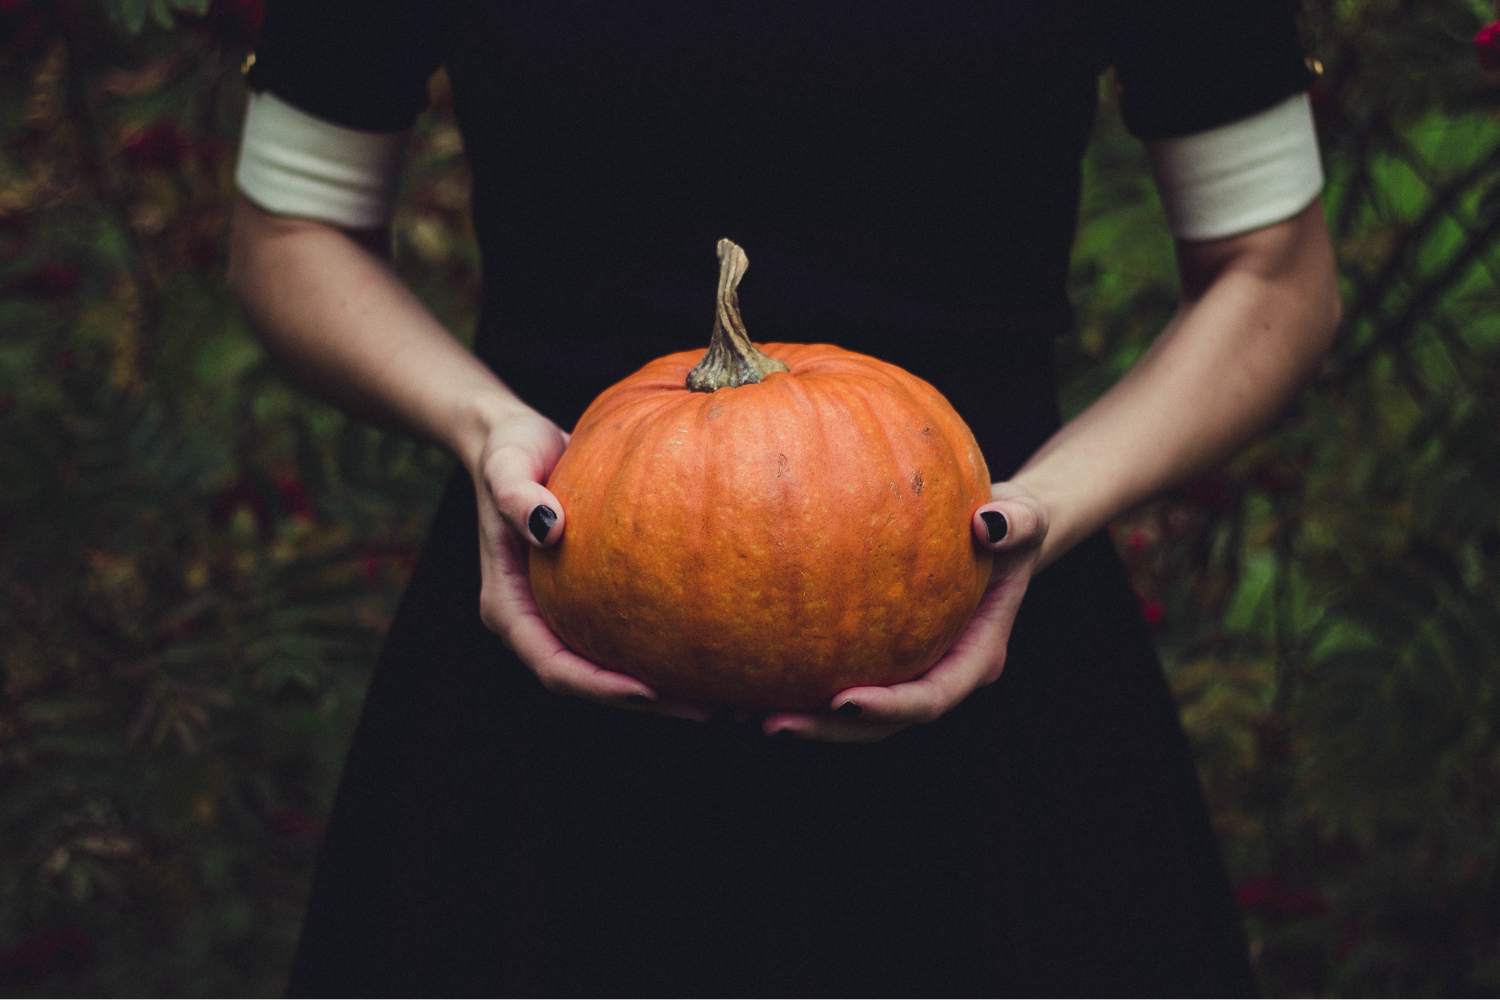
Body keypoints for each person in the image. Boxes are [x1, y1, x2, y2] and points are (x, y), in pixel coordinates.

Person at [227, 0, 1341, 993]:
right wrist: (484, 429)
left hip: (985, 614)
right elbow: (290, 233)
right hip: (553, 603)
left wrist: (1045, 506)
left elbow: (1275, 269)